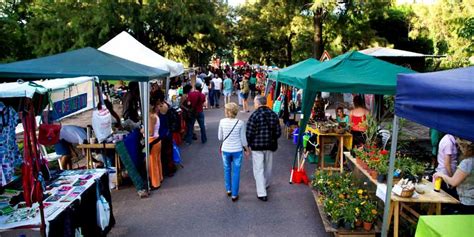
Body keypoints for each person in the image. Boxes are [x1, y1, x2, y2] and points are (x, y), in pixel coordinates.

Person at [246, 95, 281, 201]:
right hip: (270, 145)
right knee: (268, 167)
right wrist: (272, 138)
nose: (254, 105)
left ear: (258, 103)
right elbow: (278, 132)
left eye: (255, 103)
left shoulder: (254, 115)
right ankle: (265, 184)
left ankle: (262, 193)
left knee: (258, 168)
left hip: (257, 146)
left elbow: (249, 132)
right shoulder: (273, 115)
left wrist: (248, 144)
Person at [218, 103, 249, 202]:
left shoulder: (222, 122)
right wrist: (247, 149)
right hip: (237, 150)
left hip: (226, 149)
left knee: (226, 169)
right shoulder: (240, 123)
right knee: (236, 172)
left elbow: (220, 137)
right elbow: (243, 139)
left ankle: (228, 189)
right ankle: (235, 195)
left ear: (227, 111)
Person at [434, 138, 474, 214]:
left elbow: (453, 182)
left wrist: (441, 175)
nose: (459, 148)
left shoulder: (467, 163)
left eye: (461, 146)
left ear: (467, 148)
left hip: (467, 200)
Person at [148, 96, 163, 189]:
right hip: (157, 141)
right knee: (157, 161)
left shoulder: (151, 117)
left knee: (153, 163)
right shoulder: (155, 116)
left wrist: (143, 130)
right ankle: (159, 178)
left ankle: (155, 183)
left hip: (152, 141)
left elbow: (150, 132)